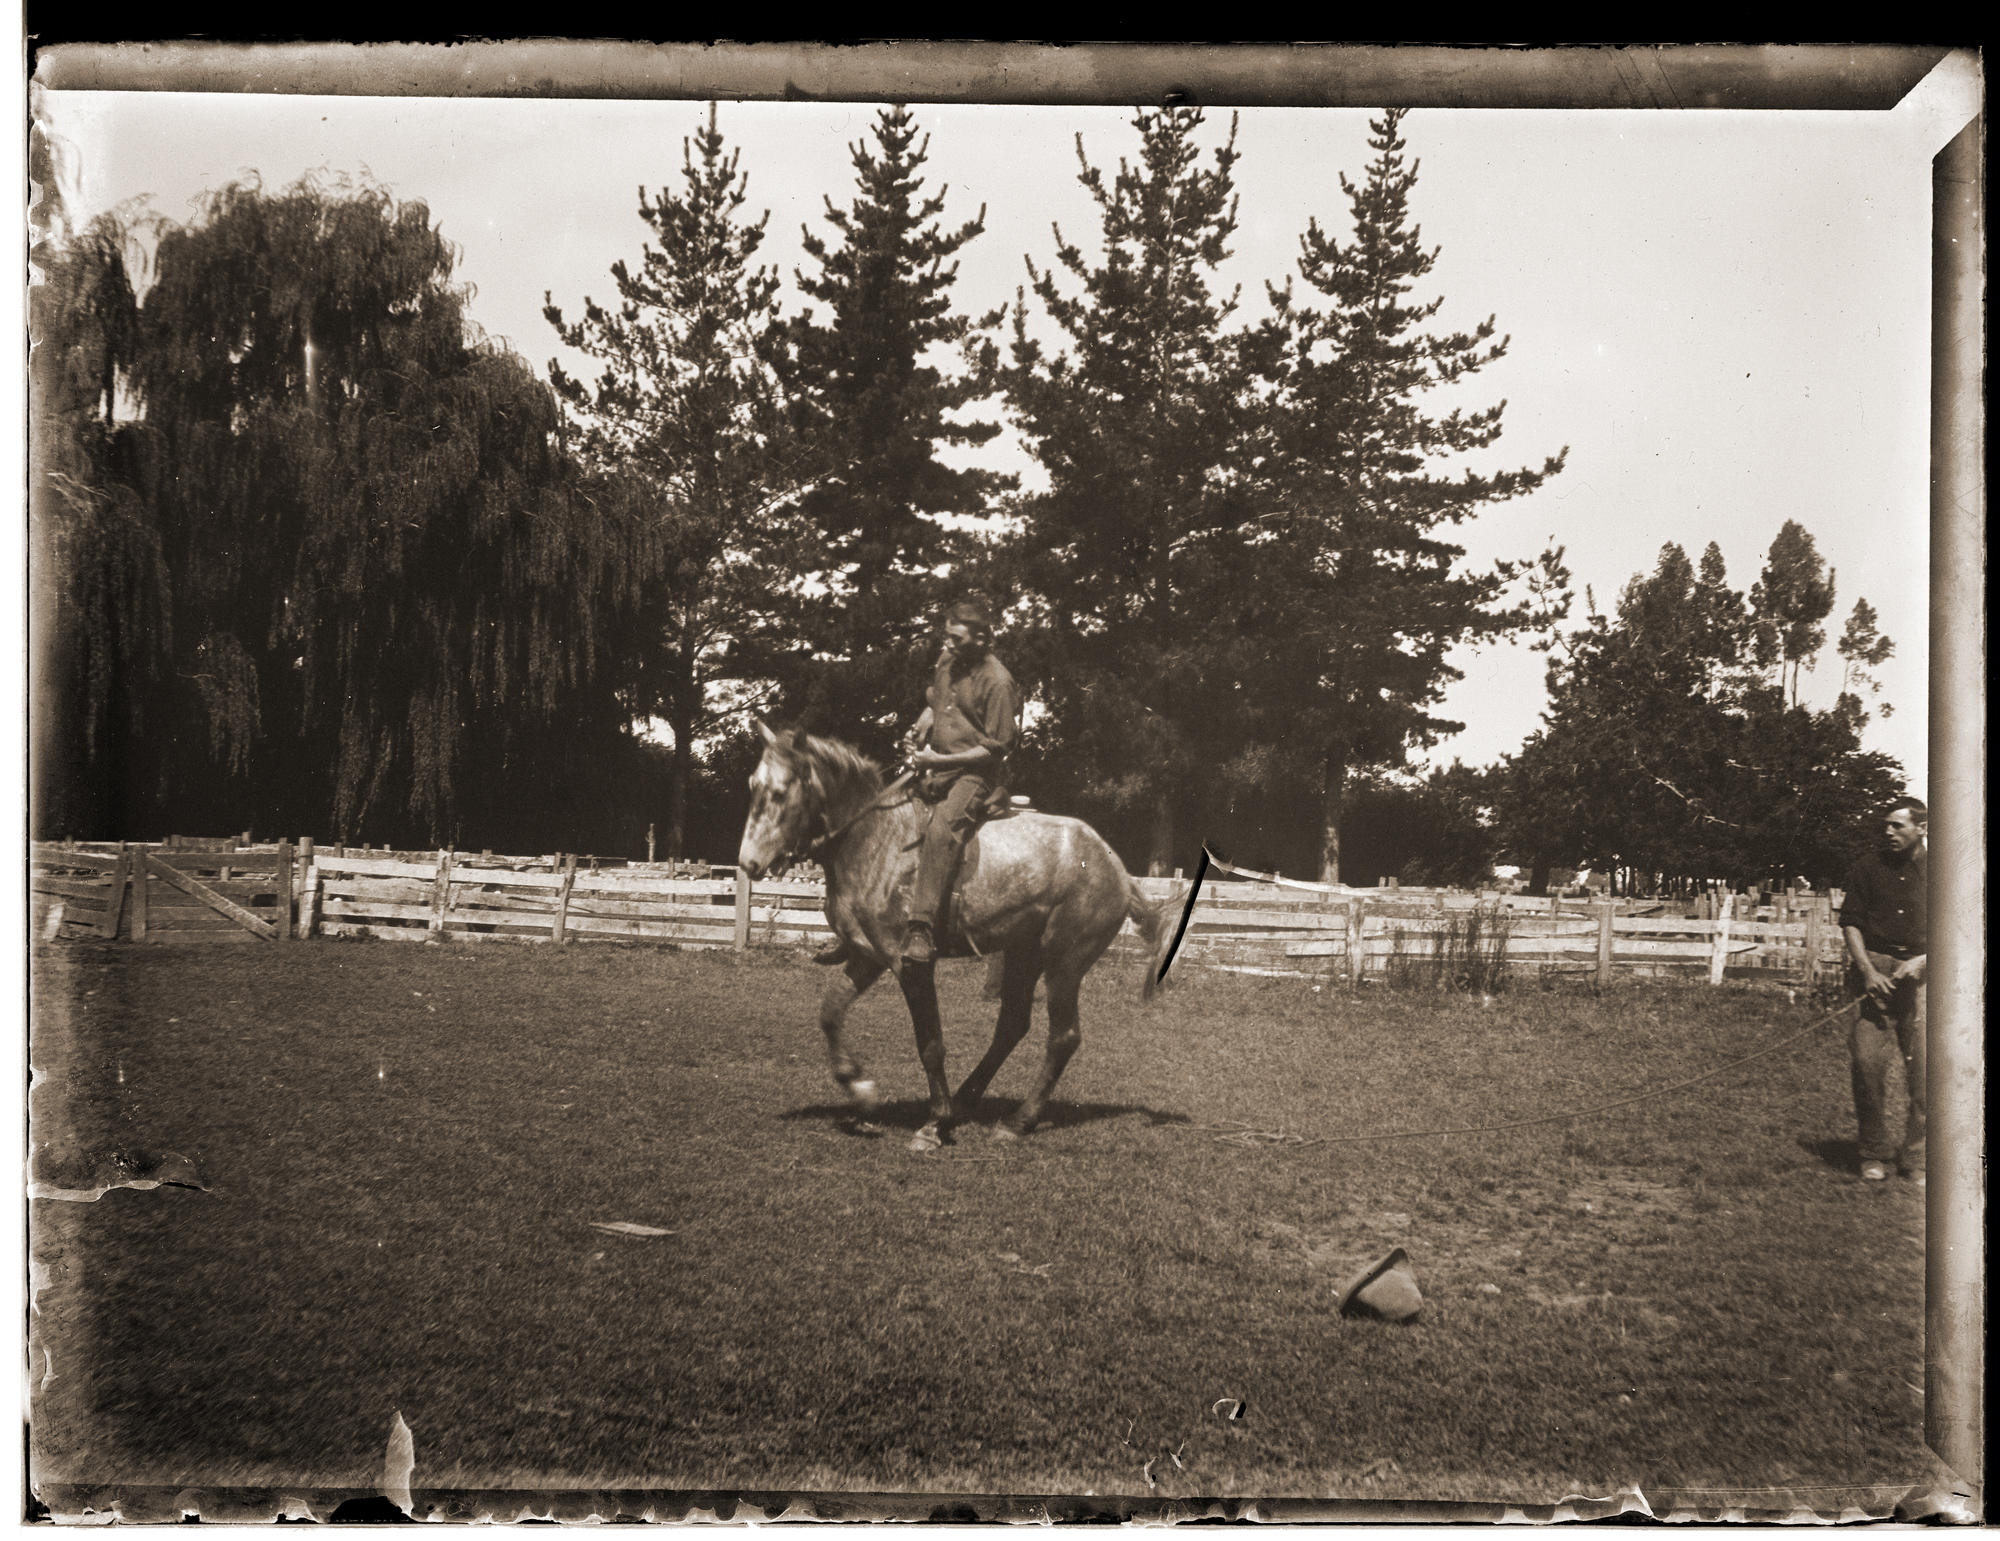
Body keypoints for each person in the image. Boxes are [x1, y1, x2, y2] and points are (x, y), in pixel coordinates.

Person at [899, 598, 1024, 967]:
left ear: (982, 638)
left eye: (956, 639)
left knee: (941, 831)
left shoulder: (998, 682)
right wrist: (921, 724)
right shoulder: (948, 660)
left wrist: (939, 760)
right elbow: (936, 700)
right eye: (947, 637)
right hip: (935, 765)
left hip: (974, 775)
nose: (948, 645)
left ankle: (921, 928)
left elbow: (995, 751)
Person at [1838, 797, 1928, 1185]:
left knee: (1925, 1070)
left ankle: (1917, 1159)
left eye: (1898, 826)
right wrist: (1868, 971)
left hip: (1923, 975)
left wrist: (1924, 961)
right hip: (1874, 974)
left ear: (1922, 828)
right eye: (1886, 826)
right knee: (1867, 1063)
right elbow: (1851, 923)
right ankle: (1872, 1152)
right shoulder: (1867, 868)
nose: (1888, 833)